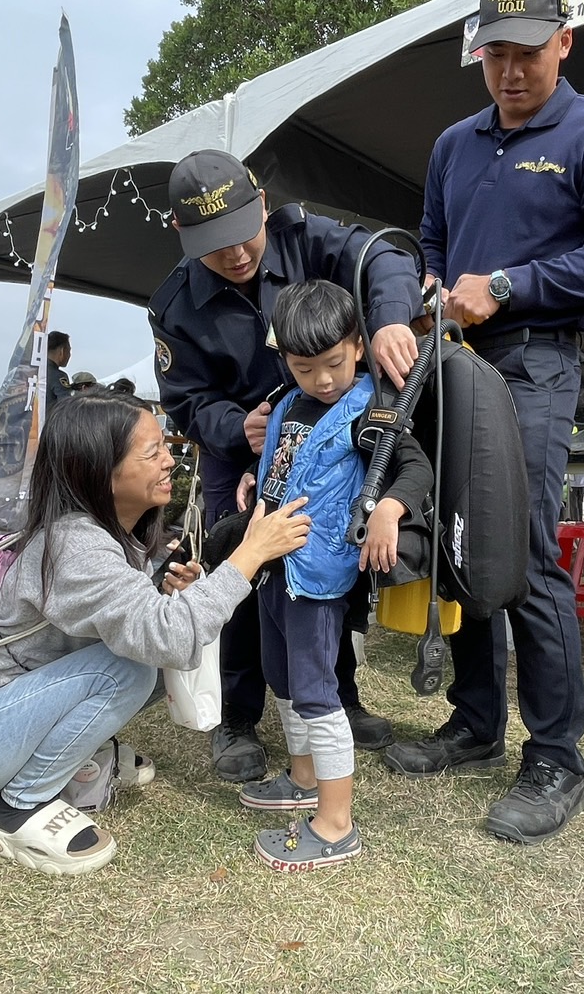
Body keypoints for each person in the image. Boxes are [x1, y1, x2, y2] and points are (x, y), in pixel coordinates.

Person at [387, 0, 584, 844]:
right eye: (494, 54)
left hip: (538, 361)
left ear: (564, 42)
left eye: (527, 53)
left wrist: (506, 284)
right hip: (452, 361)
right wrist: (420, 297)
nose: (510, 71)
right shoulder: (451, 143)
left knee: (528, 549)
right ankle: (474, 723)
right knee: (457, 546)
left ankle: (555, 756)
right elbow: (431, 242)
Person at [0, 394, 312, 875]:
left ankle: (76, 760)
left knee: (143, 659)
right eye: (152, 453)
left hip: (5, 712)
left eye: (166, 446)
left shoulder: (118, 535)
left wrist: (172, 597)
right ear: (98, 469)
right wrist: (249, 555)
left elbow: (149, 628)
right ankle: (19, 808)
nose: (171, 460)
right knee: (130, 668)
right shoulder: (75, 543)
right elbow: (165, 638)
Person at [150, 148, 421, 784]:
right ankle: (238, 719)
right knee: (242, 579)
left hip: (332, 440)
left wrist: (386, 322)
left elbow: (388, 256)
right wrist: (233, 426)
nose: (238, 255)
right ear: (183, 237)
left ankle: (338, 699)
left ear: (263, 205)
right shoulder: (175, 306)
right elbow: (185, 400)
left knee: (325, 575)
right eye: (216, 247)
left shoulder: (309, 239)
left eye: (245, 233)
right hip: (243, 455)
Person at [232, 281, 432, 871]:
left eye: (334, 364)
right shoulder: (289, 404)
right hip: (271, 564)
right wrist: (255, 479)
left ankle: (336, 822)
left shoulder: (370, 408)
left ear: (359, 346)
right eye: (304, 367)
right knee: (283, 678)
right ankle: (302, 778)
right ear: (285, 360)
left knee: (318, 692)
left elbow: (414, 466)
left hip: (317, 575)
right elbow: (287, 462)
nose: (321, 379)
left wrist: (389, 510)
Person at [45, 331, 72, 410]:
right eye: (69, 351)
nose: (70, 355)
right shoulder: (58, 376)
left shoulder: (31, 373)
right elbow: (66, 406)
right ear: (62, 351)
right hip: (49, 421)